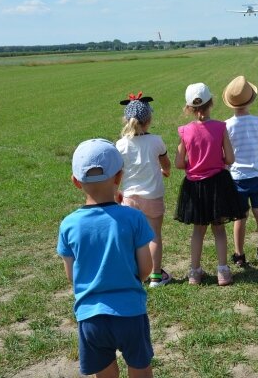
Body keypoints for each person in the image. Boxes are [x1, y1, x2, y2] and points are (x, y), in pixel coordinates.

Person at [57, 139, 155, 378]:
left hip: (91, 318)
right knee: (140, 368)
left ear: (75, 181)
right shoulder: (134, 218)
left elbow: (72, 275)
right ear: (119, 177)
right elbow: (146, 268)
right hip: (130, 312)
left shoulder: (69, 224)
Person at [175, 82, 247, 286]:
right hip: (217, 184)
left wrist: (194, 163)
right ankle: (223, 271)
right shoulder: (220, 127)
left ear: (189, 108)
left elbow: (180, 162)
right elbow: (230, 158)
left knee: (198, 231)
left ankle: (194, 273)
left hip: (195, 186)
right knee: (219, 230)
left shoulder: (185, 131)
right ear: (211, 103)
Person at [116, 92, 172, 288]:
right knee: (154, 235)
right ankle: (156, 276)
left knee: (133, 238)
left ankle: (135, 274)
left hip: (129, 197)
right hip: (153, 196)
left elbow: (118, 172)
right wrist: (164, 170)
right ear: (148, 120)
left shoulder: (121, 145)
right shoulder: (156, 141)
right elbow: (166, 164)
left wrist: (117, 193)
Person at [223, 76, 258, 266]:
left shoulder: (226, 125)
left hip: (237, 177)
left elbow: (226, 155)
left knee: (240, 218)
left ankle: (239, 254)